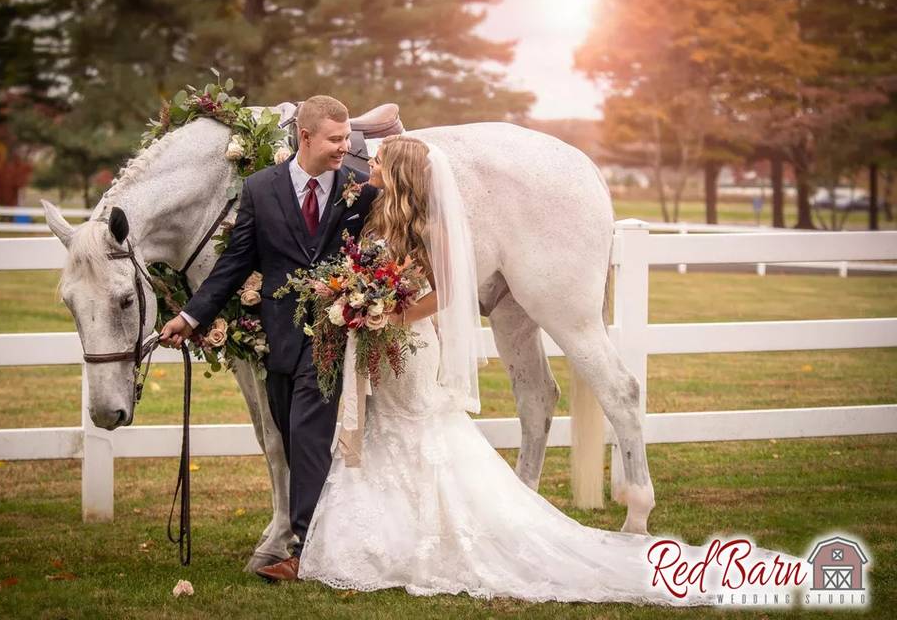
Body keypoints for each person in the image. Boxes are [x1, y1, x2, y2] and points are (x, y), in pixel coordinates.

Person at [296, 136, 791, 606]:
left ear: (400, 172)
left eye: (380, 162)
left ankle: (472, 521)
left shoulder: (434, 227)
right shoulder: (379, 215)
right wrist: (357, 301)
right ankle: (395, 533)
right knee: (386, 429)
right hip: (386, 344)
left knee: (424, 430)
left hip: (410, 338)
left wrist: (392, 313)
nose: (369, 167)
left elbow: (446, 292)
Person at [159, 95, 378, 580]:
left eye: (347, 139)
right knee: (287, 427)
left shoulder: (359, 191)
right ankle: (331, 535)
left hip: (330, 335)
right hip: (278, 338)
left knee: (306, 432)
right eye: (336, 139)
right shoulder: (260, 189)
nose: (345, 148)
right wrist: (191, 318)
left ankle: (307, 549)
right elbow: (235, 264)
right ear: (305, 137)